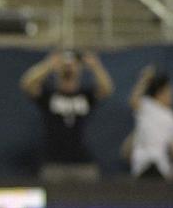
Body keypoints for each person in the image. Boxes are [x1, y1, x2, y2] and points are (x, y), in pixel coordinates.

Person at [19, 49, 114, 180]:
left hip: (82, 163)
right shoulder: (49, 96)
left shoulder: (85, 96)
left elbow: (107, 89)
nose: (69, 67)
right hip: (53, 163)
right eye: (65, 64)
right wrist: (49, 65)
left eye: (73, 64)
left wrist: (95, 66)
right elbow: (27, 84)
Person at [126, 66, 173, 179]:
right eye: (169, 91)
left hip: (160, 164)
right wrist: (144, 80)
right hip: (142, 161)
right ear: (160, 93)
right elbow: (133, 101)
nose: (172, 95)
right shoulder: (148, 105)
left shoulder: (171, 117)